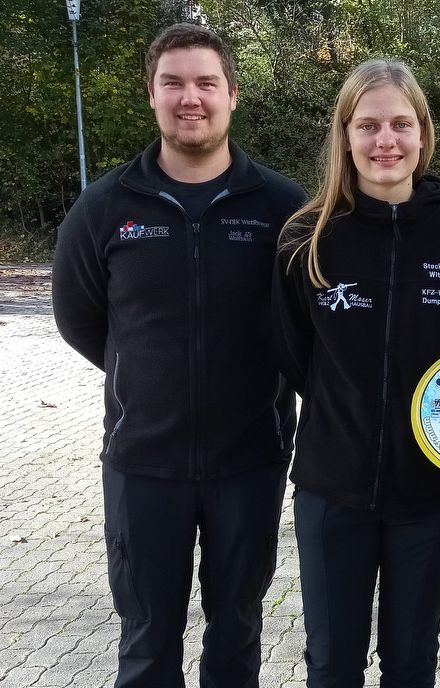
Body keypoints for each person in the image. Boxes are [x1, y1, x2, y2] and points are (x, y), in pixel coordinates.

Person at [52, 22, 306, 688]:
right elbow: (80, 319)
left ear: (232, 95)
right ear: (152, 94)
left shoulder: (283, 208)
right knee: (146, 641)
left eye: (205, 83)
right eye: (173, 83)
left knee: (236, 636)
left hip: (250, 461)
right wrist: (148, 373)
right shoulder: (104, 207)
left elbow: (307, 324)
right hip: (143, 463)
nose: (190, 98)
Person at [272, 59, 440, 687]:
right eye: (367, 125)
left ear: (422, 133)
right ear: (345, 136)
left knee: (411, 661)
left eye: (400, 124)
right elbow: (294, 354)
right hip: (331, 489)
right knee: (331, 664)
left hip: (430, 492)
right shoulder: (306, 237)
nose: (385, 140)